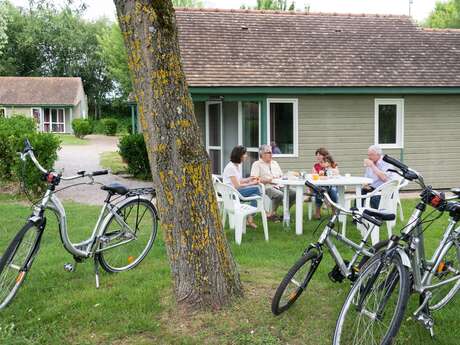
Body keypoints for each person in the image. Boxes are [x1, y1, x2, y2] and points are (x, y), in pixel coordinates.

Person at [250, 144, 295, 221]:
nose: (271, 154)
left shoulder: (275, 163)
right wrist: (267, 180)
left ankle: (285, 213)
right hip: (266, 186)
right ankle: (271, 214)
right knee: (279, 195)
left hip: (279, 185)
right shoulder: (257, 164)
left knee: (294, 193)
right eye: (269, 152)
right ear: (262, 154)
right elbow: (254, 179)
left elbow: (281, 175)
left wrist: (287, 176)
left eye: (271, 152)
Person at [222, 145, 261, 229]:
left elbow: (240, 180)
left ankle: (249, 218)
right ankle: (250, 218)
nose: (246, 156)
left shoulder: (237, 165)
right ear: (239, 155)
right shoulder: (231, 167)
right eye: (245, 154)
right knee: (257, 189)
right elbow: (237, 186)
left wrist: (250, 179)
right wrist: (252, 183)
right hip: (232, 193)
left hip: (236, 191)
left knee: (255, 196)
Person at [362, 145, 393, 209]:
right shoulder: (371, 162)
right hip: (374, 188)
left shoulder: (385, 162)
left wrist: (372, 166)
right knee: (360, 192)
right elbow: (366, 178)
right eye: (368, 155)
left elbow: (384, 178)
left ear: (378, 155)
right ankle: (357, 213)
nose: (369, 157)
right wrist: (365, 184)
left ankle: (378, 216)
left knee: (374, 198)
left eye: (371, 155)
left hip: (386, 189)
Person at [314, 154, 339, 219]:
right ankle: (318, 211)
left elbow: (337, 173)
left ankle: (334, 212)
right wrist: (321, 174)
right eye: (324, 162)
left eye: (325, 162)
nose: (324, 164)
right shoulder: (324, 169)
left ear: (329, 162)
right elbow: (321, 178)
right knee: (319, 190)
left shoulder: (334, 167)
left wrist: (331, 170)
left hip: (333, 186)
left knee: (333, 191)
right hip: (325, 186)